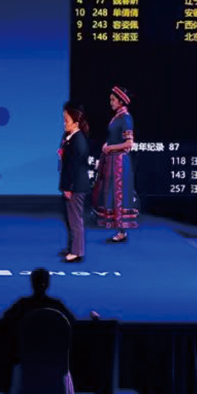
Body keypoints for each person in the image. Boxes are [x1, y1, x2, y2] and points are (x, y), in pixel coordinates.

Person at [93, 86, 138, 242]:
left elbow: (129, 143)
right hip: (112, 160)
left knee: (120, 195)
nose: (111, 102)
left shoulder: (125, 117)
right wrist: (107, 145)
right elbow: (114, 137)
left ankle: (122, 231)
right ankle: (119, 229)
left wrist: (111, 147)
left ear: (120, 101)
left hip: (119, 161)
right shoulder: (118, 117)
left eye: (113, 100)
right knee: (112, 195)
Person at [58, 103, 91, 263]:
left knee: (75, 219)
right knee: (69, 218)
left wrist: (69, 187)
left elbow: (75, 167)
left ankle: (77, 251)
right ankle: (71, 247)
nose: (64, 123)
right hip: (71, 185)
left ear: (76, 123)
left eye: (67, 120)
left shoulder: (78, 140)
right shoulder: (70, 138)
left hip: (76, 186)